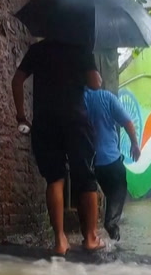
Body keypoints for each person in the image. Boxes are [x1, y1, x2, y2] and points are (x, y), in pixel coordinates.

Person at [11, 39, 104, 255]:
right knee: (86, 177)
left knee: (54, 179)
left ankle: (60, 240)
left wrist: (21, 117)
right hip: (76, 122)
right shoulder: (81, 48)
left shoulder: (37, 50)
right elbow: (95, 83)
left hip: (45, 123)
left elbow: (17, 81)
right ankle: (90, 238)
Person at [84, 87, 141, 241]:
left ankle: (90, 237)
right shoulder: (106, 97)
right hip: (112, 162)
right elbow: (127, 122)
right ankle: (112, 232)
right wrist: (135, 144)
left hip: (92, 164)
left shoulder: (78, 99)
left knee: (100, 195)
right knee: (116, 200)